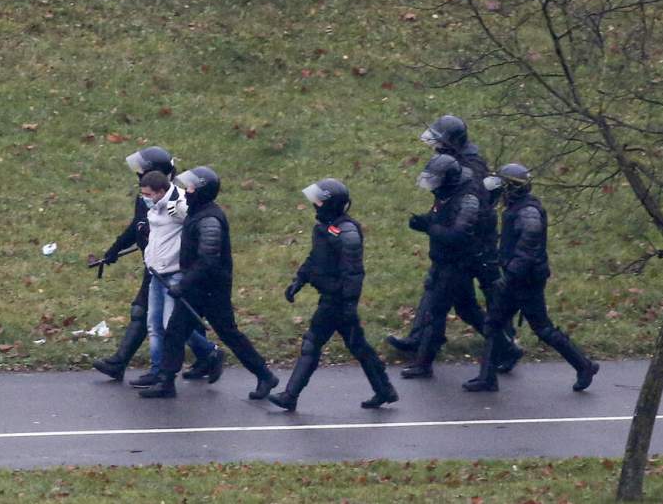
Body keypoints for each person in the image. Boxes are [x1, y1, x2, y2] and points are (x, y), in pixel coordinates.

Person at [387, 115, 523, 373]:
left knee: (487, 293)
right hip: (462, 243)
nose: (435, 147)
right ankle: (421, 339)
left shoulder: (470, 169)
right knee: (446, 293)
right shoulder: (454, 164)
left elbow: (469, 211)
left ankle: (505, 342)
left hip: (476, 243)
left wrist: (434, 227)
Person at [139, 166, 279, 399]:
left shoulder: (209, 220)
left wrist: (182, 285)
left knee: (228, 333)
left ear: (203, 190)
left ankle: (265, 375)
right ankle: (165, 381)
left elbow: (208, 260)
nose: (187, 190)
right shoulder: (197, 212)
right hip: (197, 287)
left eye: (192, 187)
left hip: (212, 290)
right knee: (174, 331)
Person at [463, 164, 599, 392]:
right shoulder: (517, 208)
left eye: (503, 188)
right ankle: (487, 378)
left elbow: (528, 251)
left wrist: (509, 277)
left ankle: (584, 365)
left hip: (525, 282)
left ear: (512, 189)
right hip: (516, 278)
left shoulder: (528, 213)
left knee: (542, 328)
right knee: (493, 324)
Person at [268, 179, 398, 411]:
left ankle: (290, 395)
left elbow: (353, 272)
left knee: (312, 343)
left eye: (319, 200)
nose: (314, 204)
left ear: (329, 203)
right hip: (332, 297)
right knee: (358, 346)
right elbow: (316, 259)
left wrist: (348, 303)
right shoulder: (324, 228)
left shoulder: (346, 233)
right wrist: (299, 280)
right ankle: (384, 389)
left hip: (337, 300)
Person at [92, 147, 220, 383]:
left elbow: (193, 228)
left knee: (166, 320)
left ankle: (195, 358)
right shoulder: (147, 198)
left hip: (172, 270)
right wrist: (114, 250)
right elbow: (137, 227)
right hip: (153, 266)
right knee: (156, 318)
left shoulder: (179, 202)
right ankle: (197, 358)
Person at [133, 170, 224, 394]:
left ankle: (210, 351)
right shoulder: (154, 205)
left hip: (174, 272)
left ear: (161, 191)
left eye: (148, 194)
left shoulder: (181, 204)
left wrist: (184, 213)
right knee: (154, 324)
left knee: (171, 326)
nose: (145, 198)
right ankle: (157, 371)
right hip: (156, 272)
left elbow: (195, 223)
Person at [399, 154, 486, 379]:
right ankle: (506, 349)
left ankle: (423, 363)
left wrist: (429, 228)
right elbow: (438, 219)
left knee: (435, 313)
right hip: (445, 262)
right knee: (468, 311)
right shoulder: (447, 195)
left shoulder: (467, 200)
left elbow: (458, 235)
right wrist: (422, 222)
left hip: (456, 265)